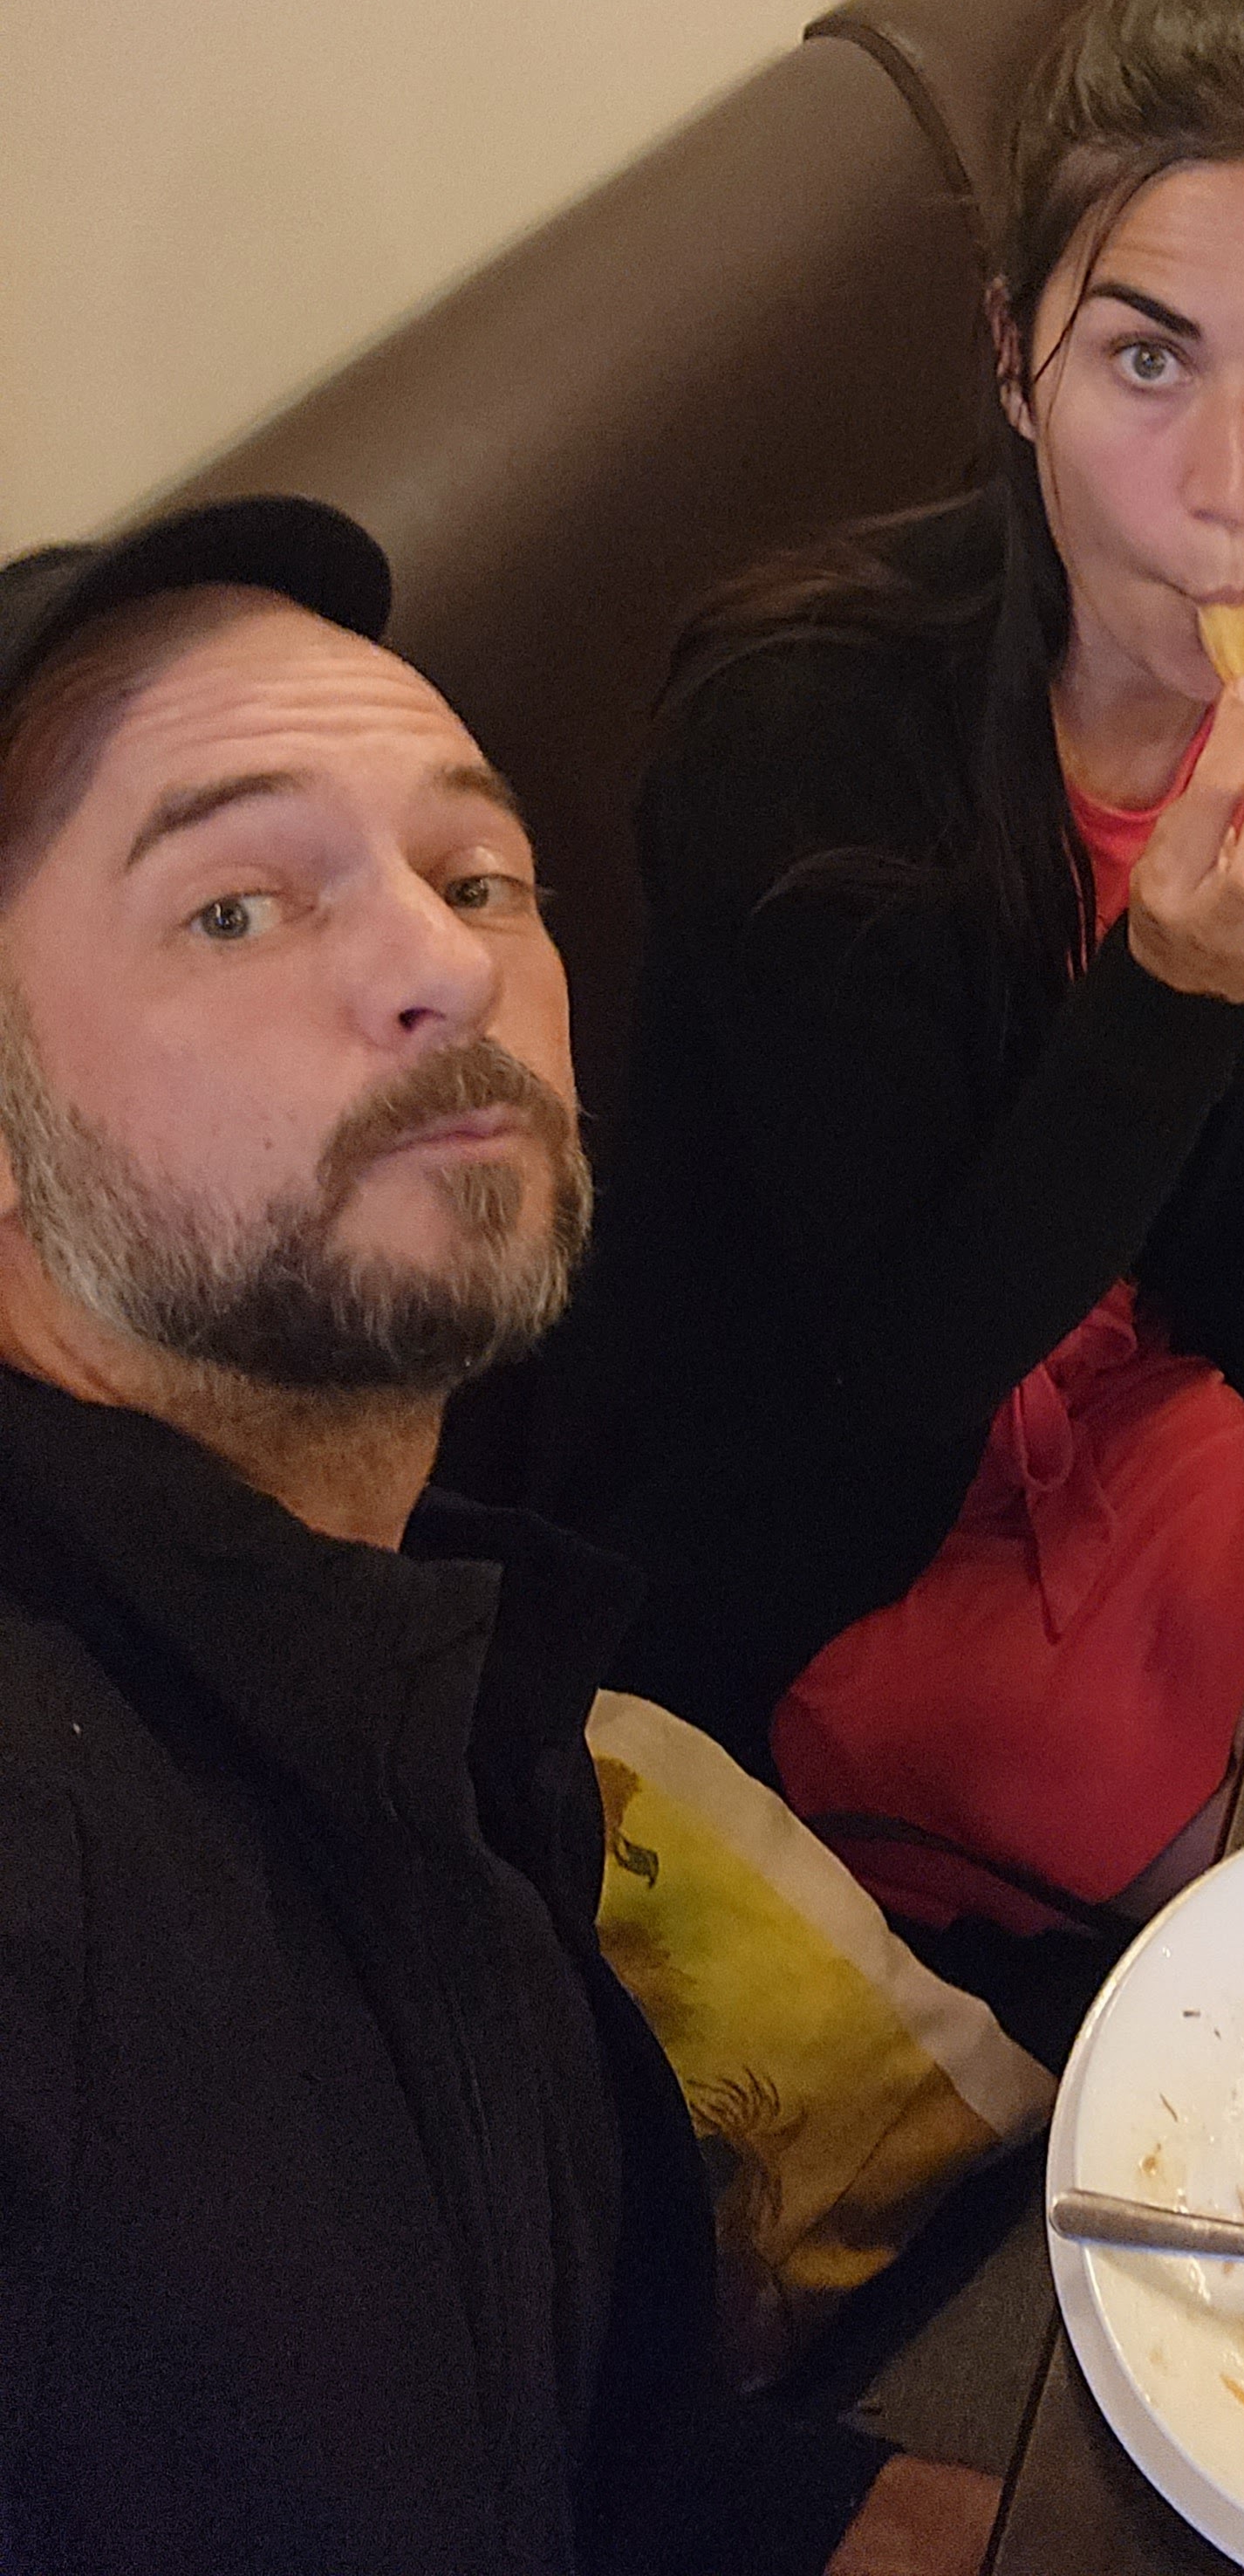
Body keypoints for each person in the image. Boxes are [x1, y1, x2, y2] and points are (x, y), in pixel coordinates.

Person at [0, 499, 902, 2575]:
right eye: (237, 907)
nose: (445, 962)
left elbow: (574, 2432)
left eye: (478, 874)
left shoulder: (400, 1646)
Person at [550, 0, 1244, 1929]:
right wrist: (1170, 999)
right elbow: (890, 1370)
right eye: (1147, 359)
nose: (1236, 495)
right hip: (836, 1544)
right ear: (1012, 358)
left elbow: (1212, 1236)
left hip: (1128, 1413)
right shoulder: (792, 737)